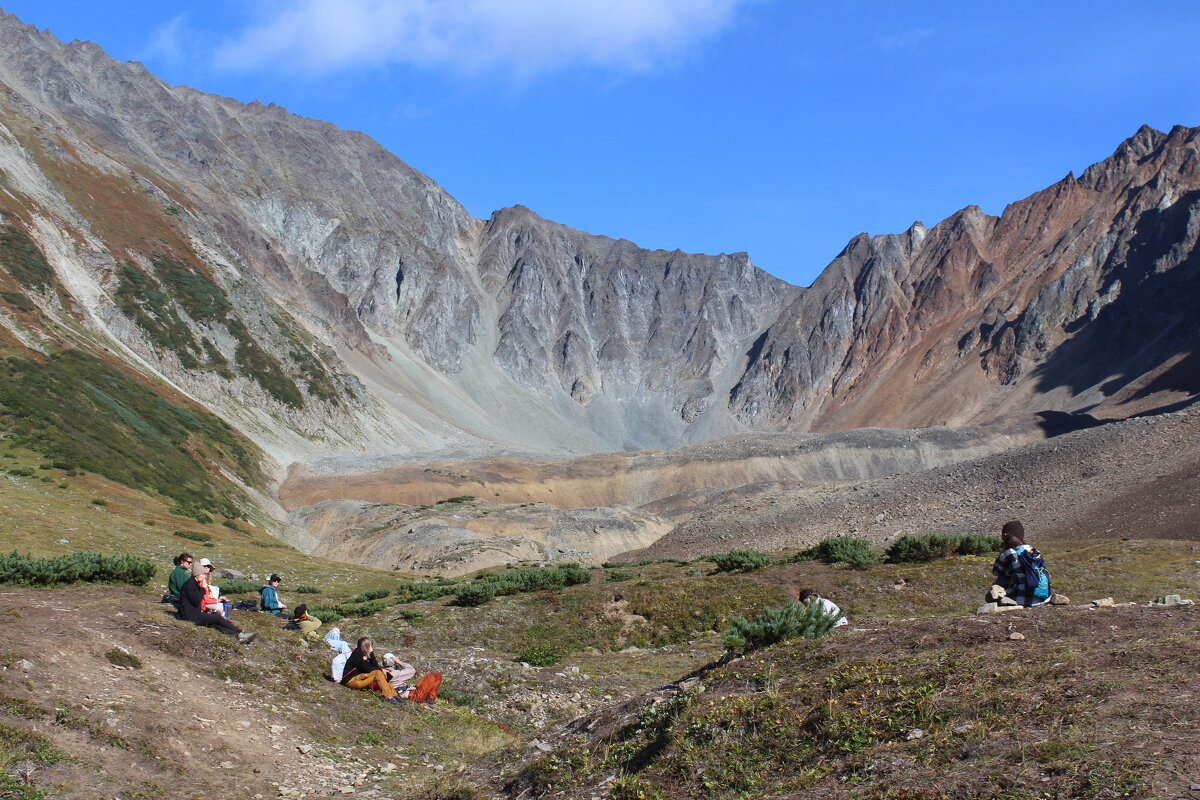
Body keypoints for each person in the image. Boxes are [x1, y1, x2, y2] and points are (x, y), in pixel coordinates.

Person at [180, 562, 257, 644]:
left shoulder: (194, 584)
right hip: (190, 616)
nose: (204, 576)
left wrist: (206, 609)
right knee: (217, 618)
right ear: (197, 574)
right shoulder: (190, 585)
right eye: (202, 574)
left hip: (194, 613)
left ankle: (238, 635)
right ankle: (242, 632)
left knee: (215, 624)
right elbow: (196, 600)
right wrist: (203, 589)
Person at [991, 520, 1052, 607]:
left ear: (1005, 535)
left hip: (1020, 599)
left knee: (1003, 576)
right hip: (1044, 598)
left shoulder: (1007, 553)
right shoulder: (1034, 550)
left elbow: (996, 571)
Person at [340, 637, 403, 704]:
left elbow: (375, 665)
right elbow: (368, 669)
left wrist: (372, 654)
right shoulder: (358, 654)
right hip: (350, 680)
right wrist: (371, 652)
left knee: (384, 678)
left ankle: (394, 695)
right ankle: (388, 696)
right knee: (377, 673)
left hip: (358, 678)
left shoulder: (362, 654)